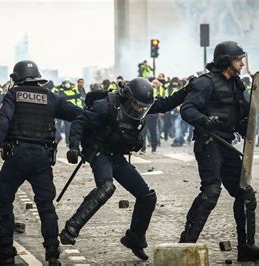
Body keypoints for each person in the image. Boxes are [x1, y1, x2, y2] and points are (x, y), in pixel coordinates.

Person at [60, 77, 188, 261]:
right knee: (106, 188)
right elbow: (80, 122)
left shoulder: (142, 106)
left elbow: (167, 103)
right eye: (136, 105)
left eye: (142, 107)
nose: (138, 109)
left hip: (117, 157)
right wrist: (73, 147)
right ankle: (72, 228)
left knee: (147, 196)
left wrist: (187, 89)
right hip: (100, 154)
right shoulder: (106, 106)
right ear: (127, 97)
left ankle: (134, 238)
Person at [179, 41, 259, 262]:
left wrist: (245, 124)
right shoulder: (205, 83)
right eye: (238, 59)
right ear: (226, 61)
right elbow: (187, 109)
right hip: (209, 142)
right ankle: (185, 245)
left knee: (245, 193)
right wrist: (205, 120)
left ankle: (247, 247)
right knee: (211, 192)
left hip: (227, 144)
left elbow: (240, 115)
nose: (242, 63)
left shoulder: (236, 84)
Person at [0, 60, 82, 266]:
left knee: (3, 201)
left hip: (17, 157)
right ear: (38, 78)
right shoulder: (51, 98)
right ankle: (53, 257)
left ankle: (6, 254)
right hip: (42, 159)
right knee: (46, 206)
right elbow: (78, 115)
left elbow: (2, 123)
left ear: (16, 78)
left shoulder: (13, 96)